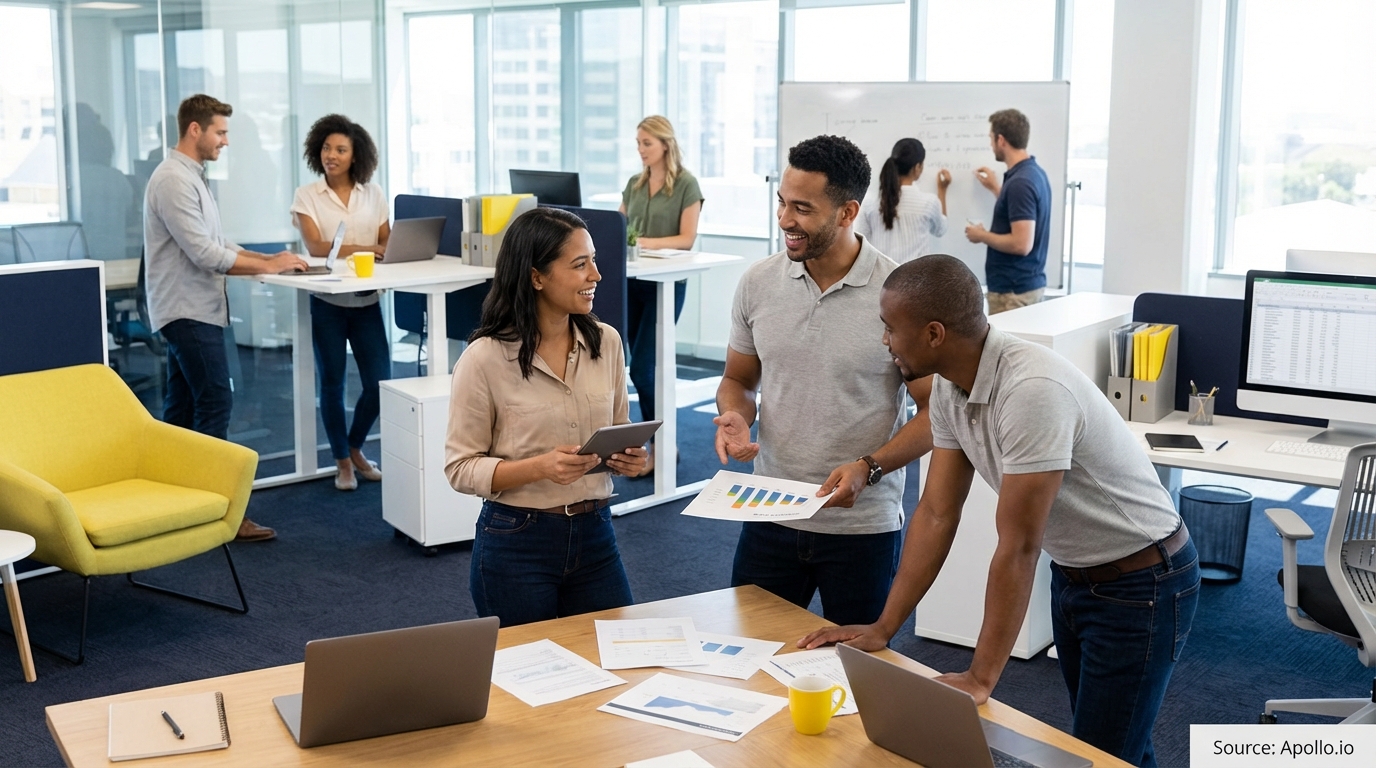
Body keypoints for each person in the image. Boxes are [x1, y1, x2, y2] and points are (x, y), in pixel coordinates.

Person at [801, 254, 1199, 768]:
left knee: (1103, 754)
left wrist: (981, 677)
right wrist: (883, 626)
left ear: (934, 333)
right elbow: (937, 514)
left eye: (890, 328)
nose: (884, 341)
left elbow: (1018, 547)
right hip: (1079, 576)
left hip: (1143, 583)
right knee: (1119, 744)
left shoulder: (1031, 392)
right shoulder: (949, 383)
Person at [714, 135, 933, 627]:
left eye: (802, 209)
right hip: (768, 511)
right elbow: (739, 378)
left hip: (861, 526)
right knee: (748, 657)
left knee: (861, 678)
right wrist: (735, 415)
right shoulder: (758, 282)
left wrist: (869, 467)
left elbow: (937, 414)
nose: (785, 220)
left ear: (847, 212)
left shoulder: (898, 295)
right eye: (781, 203)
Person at [444, 207, 649, 627]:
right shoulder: (483, 358)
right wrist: (539, 468)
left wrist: (629, 457)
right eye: (580, 264)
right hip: (516, 539)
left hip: (596, 532)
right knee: (529, 680)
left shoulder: (606, 342)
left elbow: (617, 430)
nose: (596, 275)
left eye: (593, 260)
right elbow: (460, 468)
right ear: (536, 276)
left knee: (617, 658)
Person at [144, 93, 309, 542]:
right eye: (220, 132)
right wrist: (268, 266)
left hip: (192, 308)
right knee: (216, 402)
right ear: (194, 130)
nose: (226, 141)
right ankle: (223, 516)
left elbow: (221, 242)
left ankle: (174, 506)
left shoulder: (189, 177)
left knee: (180, 411)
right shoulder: (174, 181)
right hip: (187, 309)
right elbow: (205, 254)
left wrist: (269, 257)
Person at [291, 114, 391, 492]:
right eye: (327, 148)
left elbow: (390, 244)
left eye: (341, 149)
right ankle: (342, 463)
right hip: (328, 303)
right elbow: (317, 247)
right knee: (331, 384)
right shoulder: (307, 196)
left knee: (379, 383)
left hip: (366, 302)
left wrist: (379, 249)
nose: (331, 155)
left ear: (355, 156)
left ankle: (354, 446)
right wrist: (370, 248)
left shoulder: (374, 194)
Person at [619, 116, 703, 471]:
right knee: (638, 367)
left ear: (665, 144)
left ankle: (662, 444)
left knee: (643, 366)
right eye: (638, 143)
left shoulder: (686, 184)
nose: (640, 150)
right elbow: (618, 228)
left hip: (666, 285)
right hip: (633, 282)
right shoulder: (634, 185)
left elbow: (686, 239)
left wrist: (643, 242)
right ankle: (658, 442)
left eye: (647, 143)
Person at [963, 108, 1052, 314]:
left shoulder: (1020, 182)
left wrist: (982, 236)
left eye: (991, 138)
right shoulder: (1032, 173)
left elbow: (1021, 244)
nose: (991, 144)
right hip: (1020, 288)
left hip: (1013, 293)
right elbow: (1020, 212)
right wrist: (996, 189)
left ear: (1001, 140)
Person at [855, 138, 950, 264]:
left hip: (882, 280)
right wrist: (942, 190)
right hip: (916, 279)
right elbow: (940, 229)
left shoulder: (869, 203)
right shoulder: (929, 202)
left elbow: (861, 240)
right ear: (917, 167)